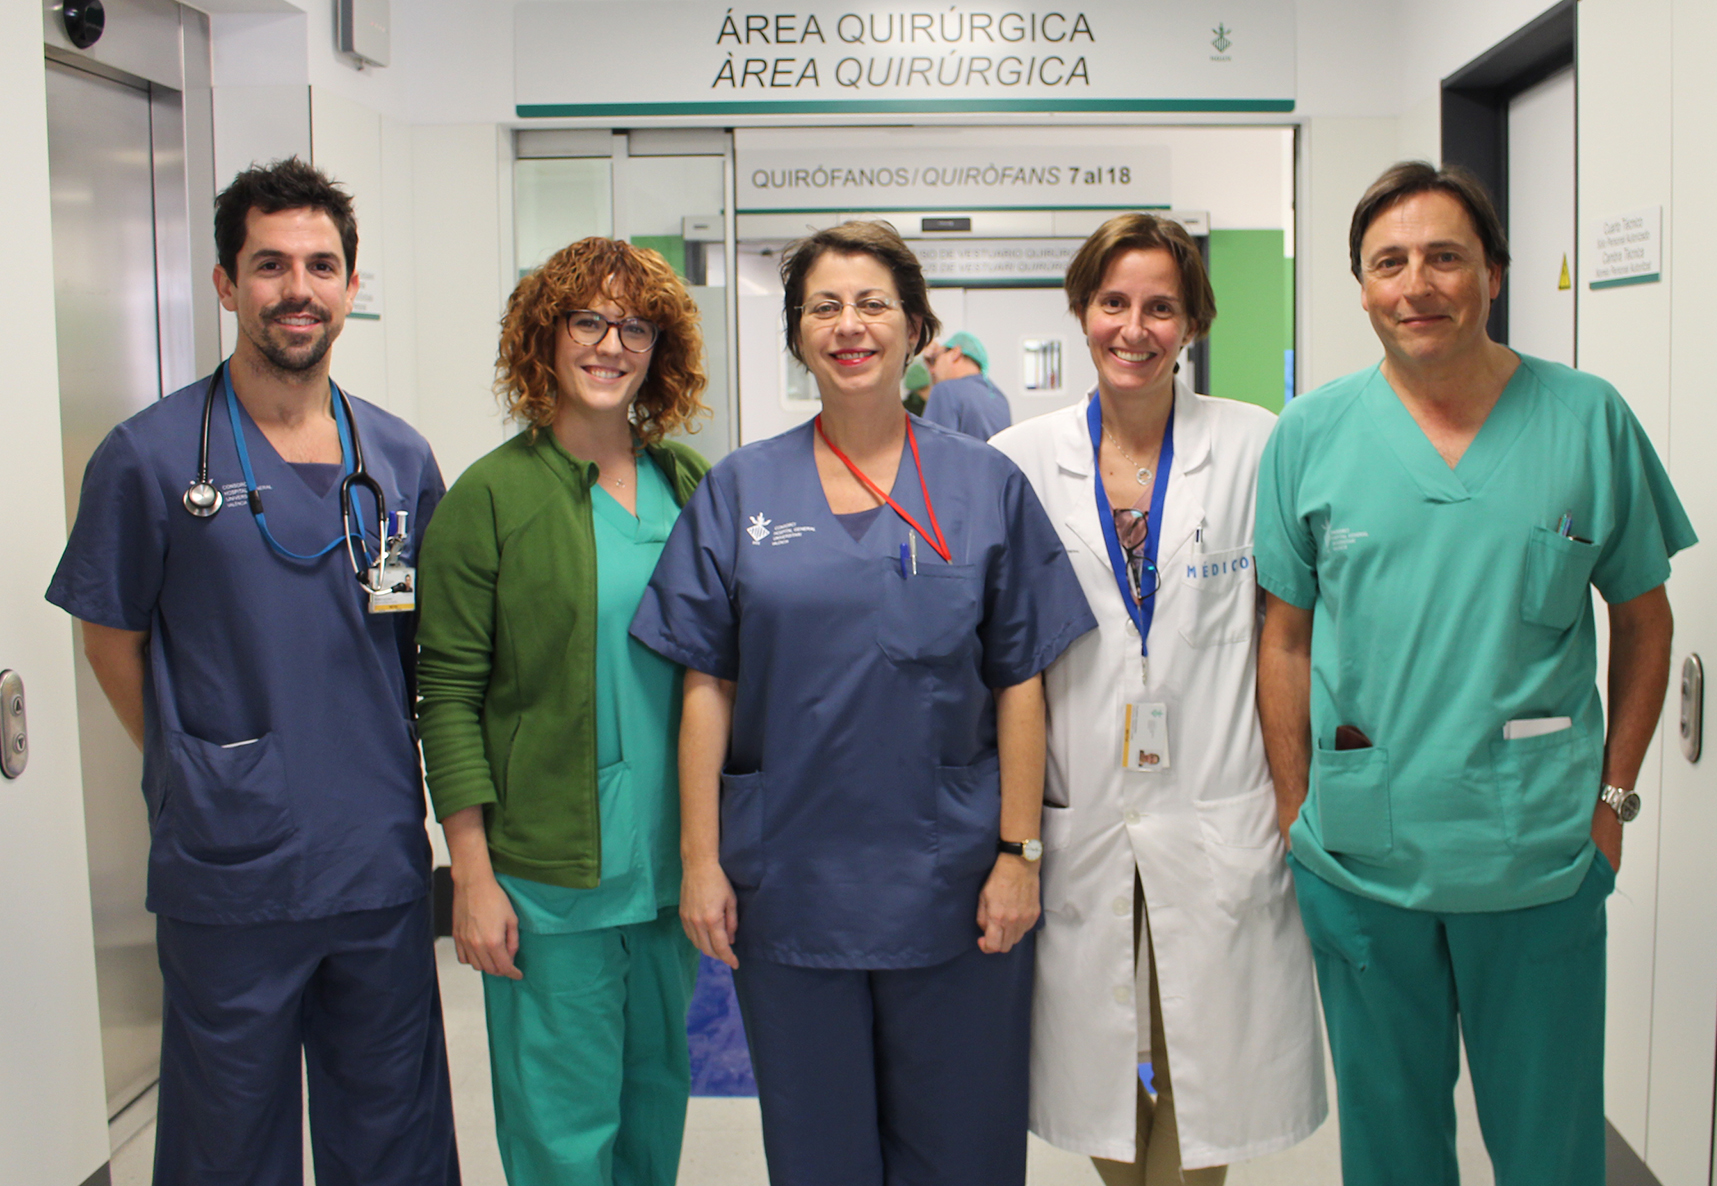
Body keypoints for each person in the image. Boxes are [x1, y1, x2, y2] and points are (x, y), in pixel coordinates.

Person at [1253, 161, 1695, 1186]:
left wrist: (1612, 805)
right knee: (1390, 1153)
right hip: (1360, 861)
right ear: (1361, 287)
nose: (1417, 284)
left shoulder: (1586, 418)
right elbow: (1284, 638)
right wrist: (1294, 814)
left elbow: (1644, 619)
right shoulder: (1310, 435)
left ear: (1494, 273)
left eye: (1444, 257)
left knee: (1550, 1152)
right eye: (1388, 263)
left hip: (1539, 857)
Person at [630, 220, 1096, 1186]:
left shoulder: (983, 485)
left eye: (874, 304)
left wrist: (1018, 856)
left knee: (963, 1152)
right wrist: (701, 861)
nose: (850, 325)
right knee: (819, 1156)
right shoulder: (741, 489)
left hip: (954, 887)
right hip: (791, 888)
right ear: (798, 336)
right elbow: (706, 682)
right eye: (825, 307)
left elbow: (1020, 679)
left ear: (916, 328)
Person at [45, 158, 458, 1186]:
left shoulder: (398, 458)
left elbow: (428, 649)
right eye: (270, 265)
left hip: (373, 860)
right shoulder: (148, 457)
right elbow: (109, 637)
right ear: (227, 284)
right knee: (225, 1143)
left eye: (320, 266)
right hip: (231, 873)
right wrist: (202, 765)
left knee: (394, 1135)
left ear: (351, 286)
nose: (297, 289)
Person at [992, 213, 1325, 1186]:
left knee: (1204, 1068)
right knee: (1093, 1066)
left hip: (1216, 806)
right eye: (1113, 303)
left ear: (1192, 322)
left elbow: (1288, 634)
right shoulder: (1018, 459)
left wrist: (1296, 798)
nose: (1133, 329)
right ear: (1081, 309)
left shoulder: (1255, 444)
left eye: (1160, 308)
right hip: (1081, 811)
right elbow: (1003, 658)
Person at [415, 237, 711, 1186]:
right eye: (588, 320)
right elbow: (446, 694)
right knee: (562, 1140)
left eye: (636, 327)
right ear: (544, 336)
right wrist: (470, 873)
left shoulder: (689, 484)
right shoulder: (490, 497)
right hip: (549, 877)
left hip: (671, 866)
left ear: (659, 351)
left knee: (652, 1116)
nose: (611, 345)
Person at [923, 329, 1012, 439]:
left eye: (934, 360)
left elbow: (931, 444)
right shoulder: (999, 398)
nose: (932, 370)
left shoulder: (946, 390)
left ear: (955, 353)